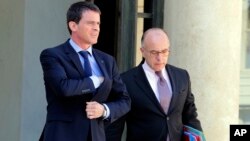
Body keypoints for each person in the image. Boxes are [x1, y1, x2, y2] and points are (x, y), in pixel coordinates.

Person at [39, 1, 130, 141]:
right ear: (73, 25)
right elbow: (63, 87)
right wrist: (94, 81)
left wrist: (104, 110)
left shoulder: (107, 61)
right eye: (90, 23)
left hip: (96, 136)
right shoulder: (53, 55)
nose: (96, 28)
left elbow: (124, 100)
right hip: (62, 135)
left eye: (98, 24)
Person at [120, 28, 203, 141]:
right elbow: (116, 125)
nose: (160, 58)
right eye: (154, 52)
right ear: (142, 51)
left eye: (164, 52)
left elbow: (190, 115)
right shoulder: (126, 81)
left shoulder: (182, 76)